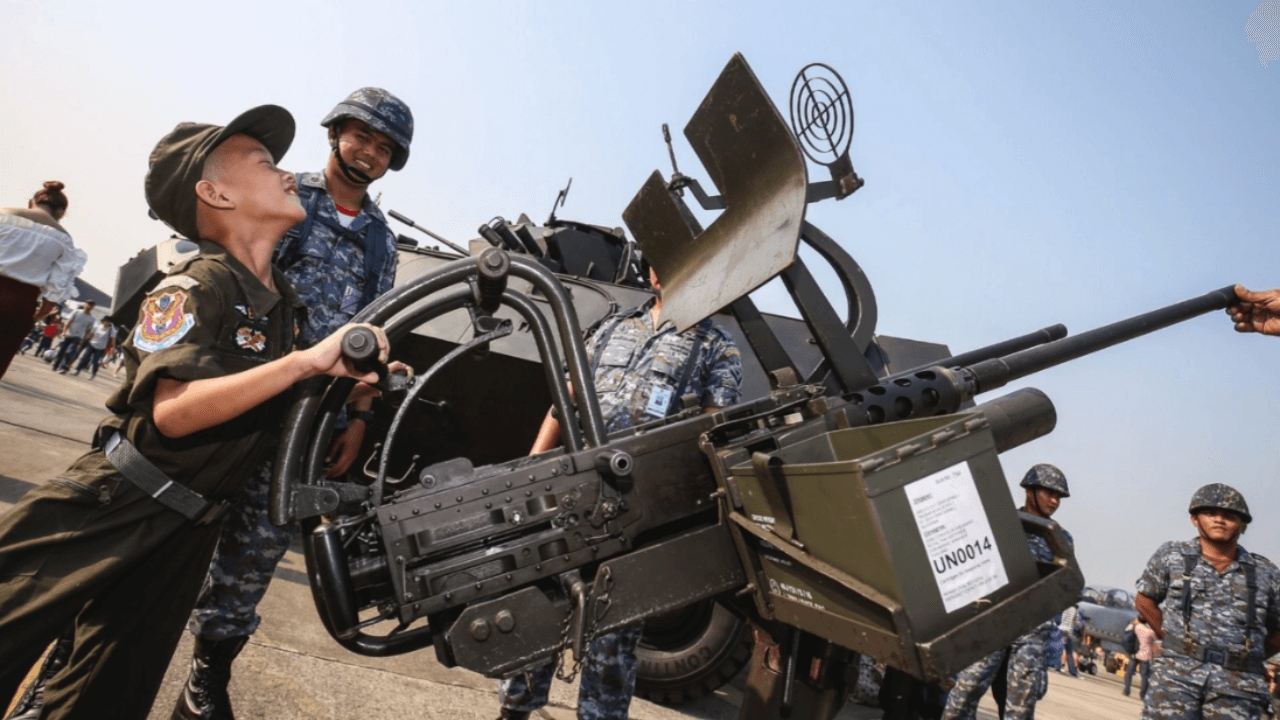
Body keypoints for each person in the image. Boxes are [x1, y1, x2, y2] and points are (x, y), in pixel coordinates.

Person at [0, 105, 391, 720]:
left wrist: (359, 390)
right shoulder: (199, 283)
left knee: (108, 694)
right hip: (118, 502)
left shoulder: (285, 304)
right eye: (266, 164)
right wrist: (306, 364)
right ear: (215, 193)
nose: (286, 174)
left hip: (188, 521)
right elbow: (173, 415)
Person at [173, 88, 413, 720]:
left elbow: (372, 328)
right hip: (238, 391)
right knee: (173, 521)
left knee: (258, 544)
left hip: (311, 419)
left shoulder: (383, 242)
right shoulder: (285, 196)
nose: (367, 152)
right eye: (360, 135)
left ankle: (207, 674)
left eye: (383, 147)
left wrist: (358, 417)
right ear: (335, 133)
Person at [496, 266, 742, 720]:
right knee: (541, 607)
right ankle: (514, 709)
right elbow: (564, 400)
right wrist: (531, 467)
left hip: (642, 505)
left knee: (616, 632)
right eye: (656, 262)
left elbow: (714, 433)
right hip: (574, 490)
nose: (659, 270)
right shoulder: (612, 327)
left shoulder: (716, 347)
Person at [1135, 484, 1280, 720]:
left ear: (1242, 525)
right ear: (1194, 519)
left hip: (1238, 687)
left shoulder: (1266, 573)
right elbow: (1144, 601)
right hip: (1176, 678)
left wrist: (1250, 657)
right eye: (1211, 514)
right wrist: (1175, 641)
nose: (1219, 520)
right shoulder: (1173, 556)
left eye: (1230, 516)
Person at [942, 464, 1074, 720]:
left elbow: (1063, 588)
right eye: (1050, 493)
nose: (1055, 501)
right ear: (1030, 491)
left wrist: (1052, 640)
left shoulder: (1061, 538)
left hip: (1032, 634)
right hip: (992, 624)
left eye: (1059, 496)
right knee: (963, 697)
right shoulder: (1000, 524)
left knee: (1019, 709)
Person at [0, 182, 86, 379]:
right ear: (62, 213)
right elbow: (54, 292)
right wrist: (37, 316)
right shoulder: (64, 239)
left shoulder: (3, 214)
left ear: (32, 202)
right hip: (19, 306)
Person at [49, 300, 96, 373]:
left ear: (92, 308)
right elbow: (68, 322)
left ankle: (63, 367)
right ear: (84, 305)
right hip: (68, 334)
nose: (88, 307)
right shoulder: (76, 312)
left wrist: (83, 340)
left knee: (70, 351)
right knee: (61, 351)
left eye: (91, 306)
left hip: (78, 336)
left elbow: (88, 331)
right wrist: (64, 332)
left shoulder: (92, 319)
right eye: (88, 305)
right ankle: (55, 365)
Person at [1123, 616, 1157, 699]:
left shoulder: (1135, 627)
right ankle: (1143, 695)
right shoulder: (1149, 631)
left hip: (1135, 653)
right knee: (1145, 675)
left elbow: (1126, 633)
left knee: (1129, 672)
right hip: (1145, 655)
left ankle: (1126, 690)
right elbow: (1156, 637)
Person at [1058, 604, 1080, 678]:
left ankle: (1058, 667)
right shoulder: (1075, 610)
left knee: (1060, 649)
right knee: (1069, 652)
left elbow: (1061, 618)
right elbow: (1074, 621)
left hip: (1061, 628)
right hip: (1068, 632)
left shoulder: (1065, 607)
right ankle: (1072, 671)